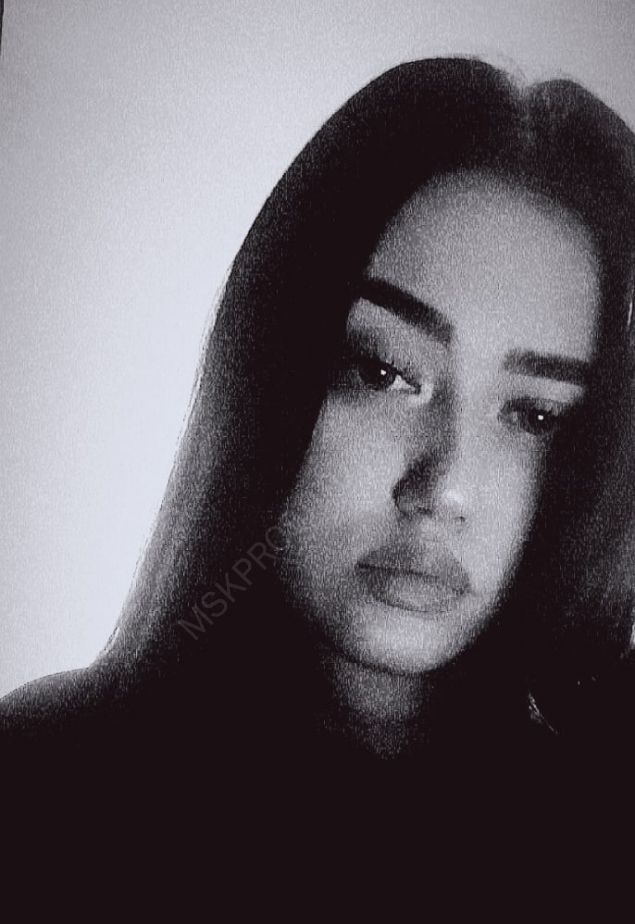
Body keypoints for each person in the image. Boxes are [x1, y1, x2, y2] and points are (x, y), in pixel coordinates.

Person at [2, 57, 635, 807]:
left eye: (533, 416)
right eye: (381, 372)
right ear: (269, 370)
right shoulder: (42, 772)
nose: (446, 488)